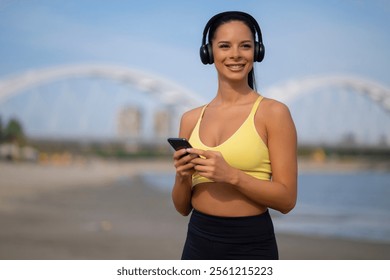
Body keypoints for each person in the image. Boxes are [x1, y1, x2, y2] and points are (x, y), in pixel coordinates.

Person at [171, 11, 297, 260]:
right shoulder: (190, 119)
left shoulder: (273, 113)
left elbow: (287, 200)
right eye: (225, 46)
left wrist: (231, 176)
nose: (236, 54)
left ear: (257, 52)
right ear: (209, 53)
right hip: (197, 241)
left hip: (251, 245)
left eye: (246, 46)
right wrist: (183, 177)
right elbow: (182, 207)